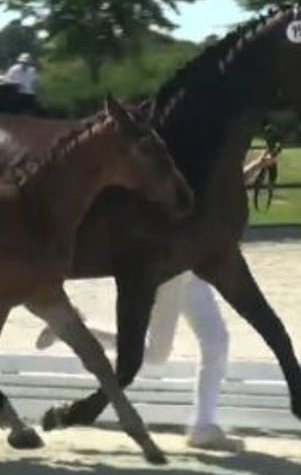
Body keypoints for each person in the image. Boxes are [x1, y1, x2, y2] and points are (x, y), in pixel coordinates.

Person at [35, 149, 278, 452]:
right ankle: (71, 328)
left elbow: (222, 192)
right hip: (175, 273)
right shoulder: (180, 171)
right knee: (155, 356)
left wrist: (257, 166)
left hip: (193, 270)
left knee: (216, 341)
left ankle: (203, 426)